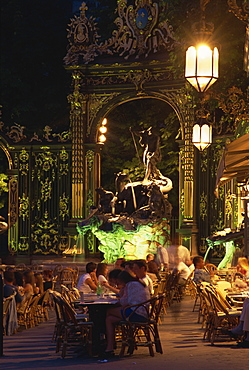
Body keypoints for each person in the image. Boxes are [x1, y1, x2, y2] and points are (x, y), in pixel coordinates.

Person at [103, 270, 150, 358]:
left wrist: (118, 299)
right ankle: (109, 347)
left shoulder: (131, 285)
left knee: (108, 311)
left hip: (136, 313)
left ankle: (105, 341)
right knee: (109, 319)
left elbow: (125, 302)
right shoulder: (137, 283)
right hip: (142, 312)